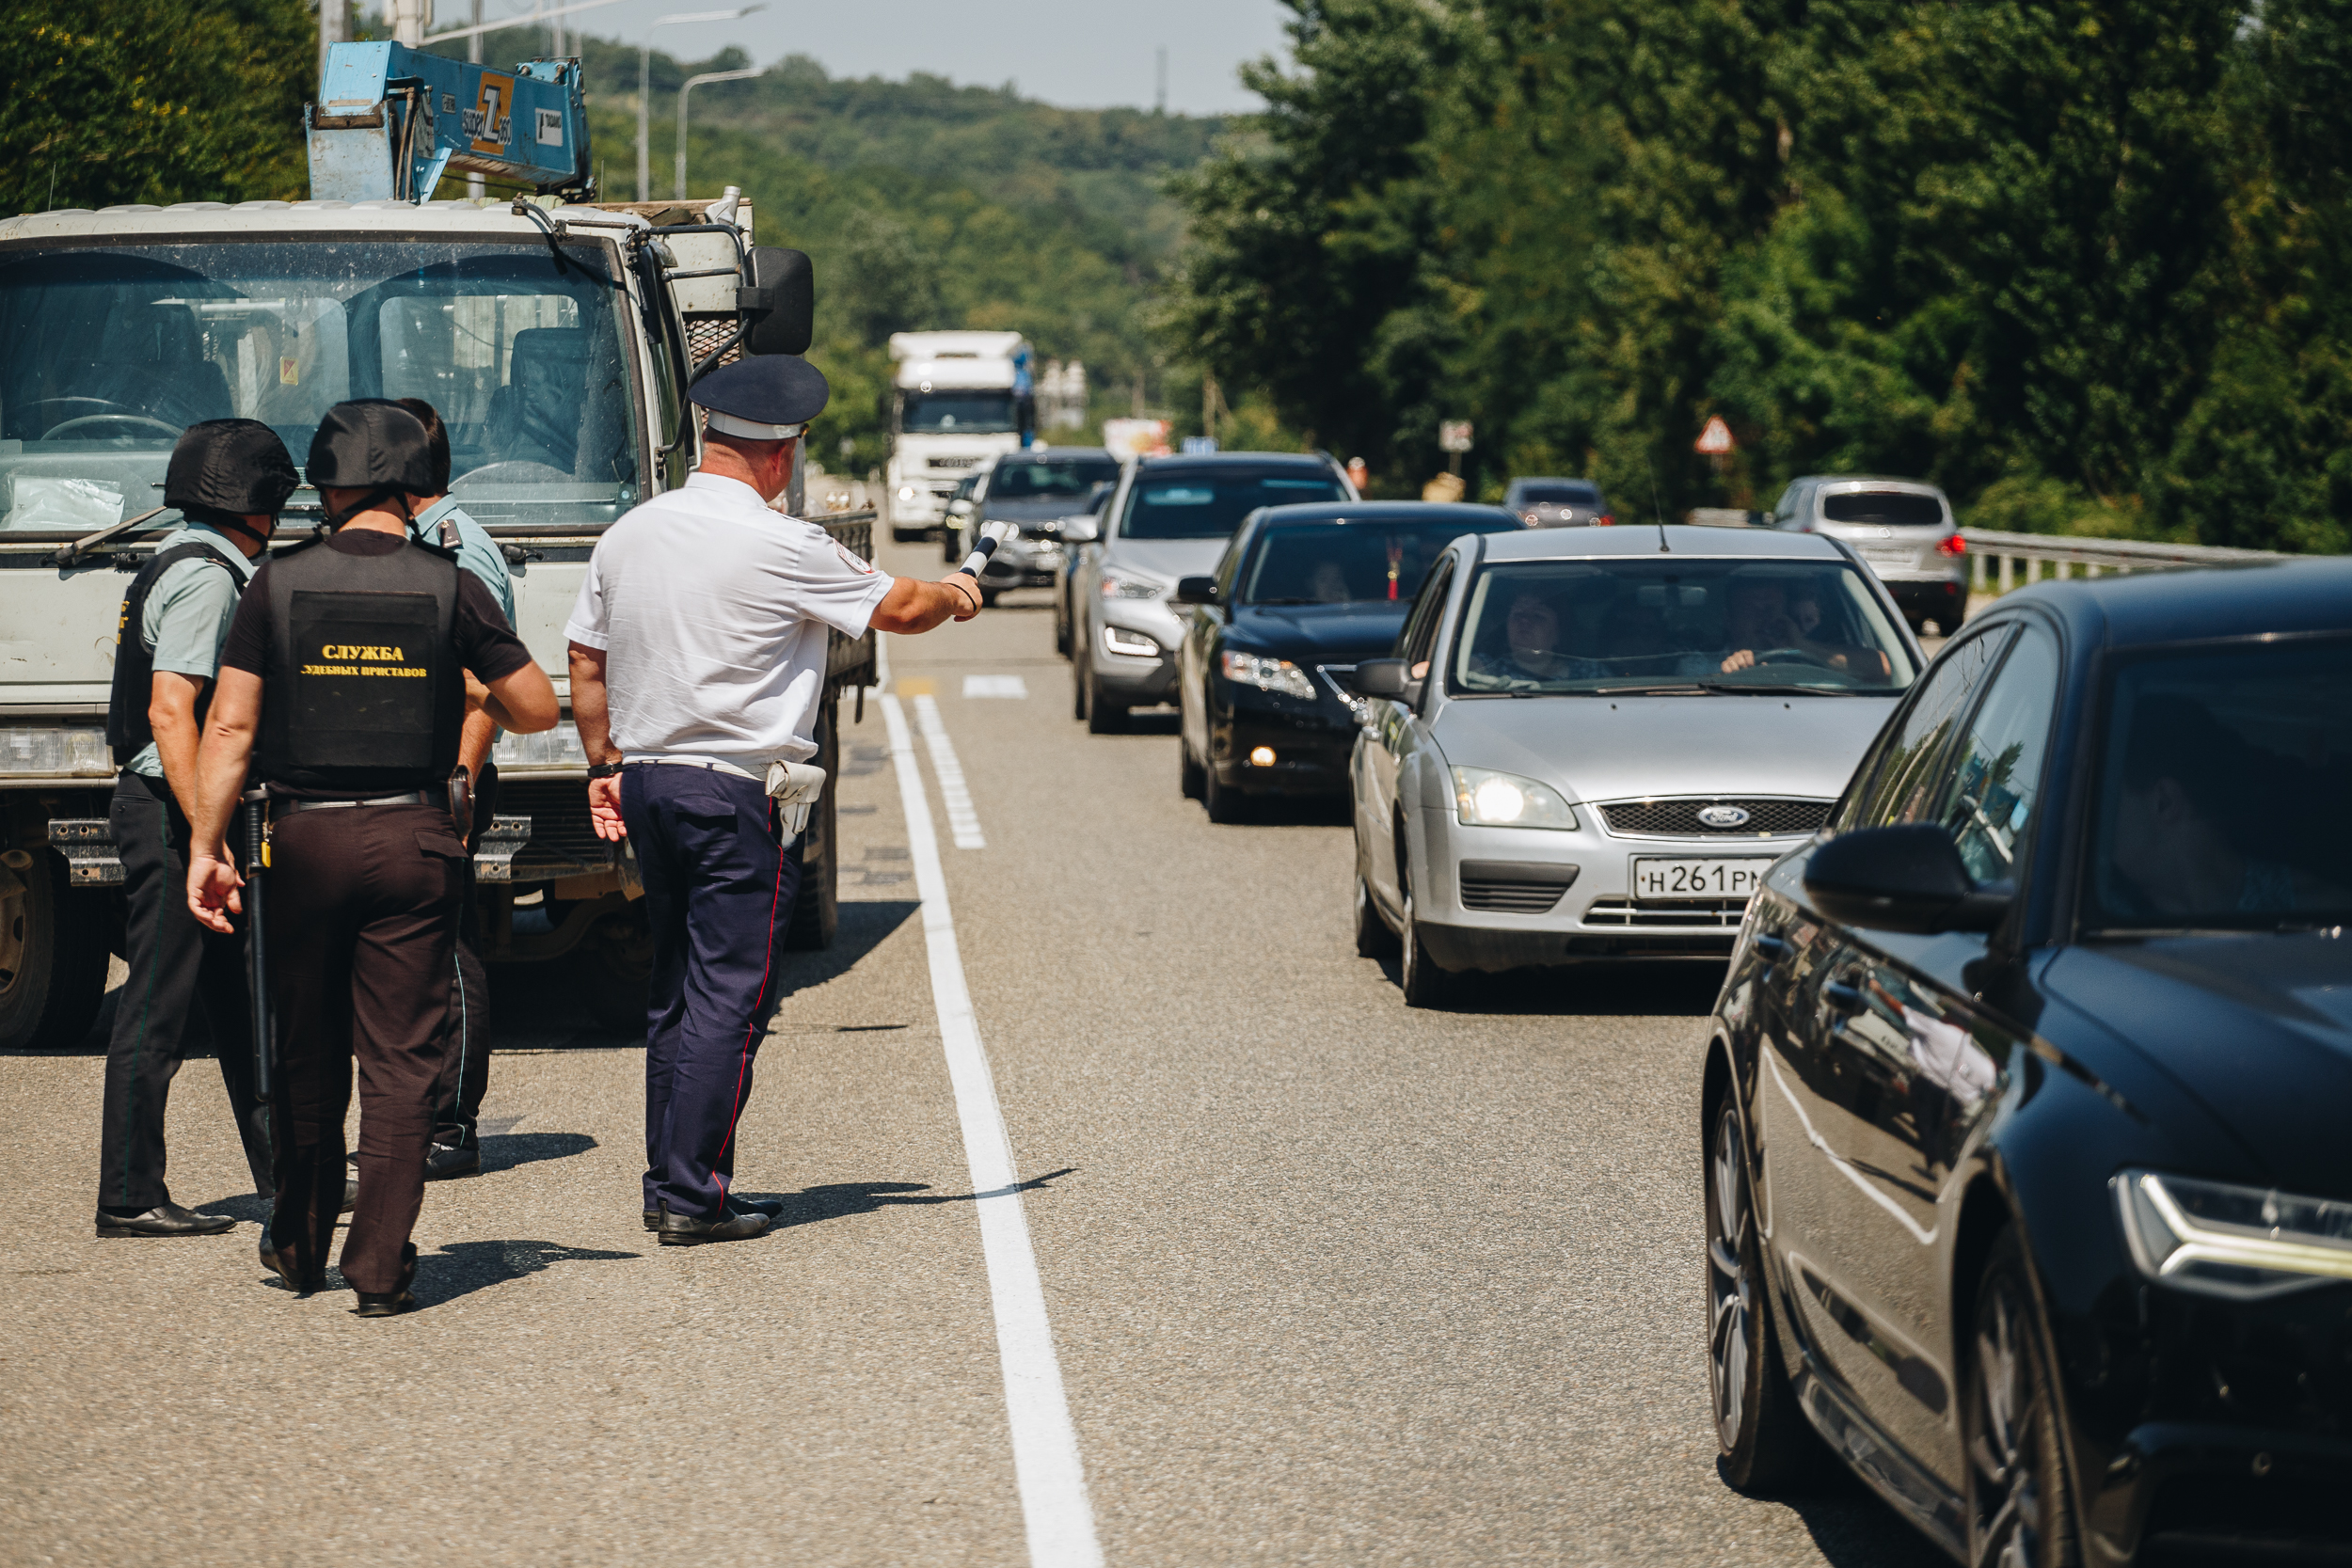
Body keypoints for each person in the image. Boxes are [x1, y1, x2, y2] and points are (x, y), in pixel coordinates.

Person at [564, 355, 983, 1247]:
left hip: (646, 780)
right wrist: (957, 592)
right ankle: (693, 1193)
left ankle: (664, 1177)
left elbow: (586, 660)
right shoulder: (782, 543)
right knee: (730, 995)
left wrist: (602, 763)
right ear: (783, 455)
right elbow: (900, 608)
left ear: (712, 437)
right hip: (735, 794)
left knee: (673, 986)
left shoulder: (629, 532)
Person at [185, 400, 559, 1316]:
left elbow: (228, 723)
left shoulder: (274, 583)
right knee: (401, 1062)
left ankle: (301, 1243)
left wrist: (206, 841)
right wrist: (463, 681)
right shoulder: (449, 584)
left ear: (326, 484)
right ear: (409, 483)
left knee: (306, 1048)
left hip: (299, 837)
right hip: (413, 837)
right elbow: (538, 706)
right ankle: (381, 1269)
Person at [93, 420, 292, 1238]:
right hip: (176, 820)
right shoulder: (210, 577)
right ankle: (131, 1194)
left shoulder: (184, 557)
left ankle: (289, 1174)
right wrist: (203, 833)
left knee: (246, 1005)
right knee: (155, 1008)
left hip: (193, 818)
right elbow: (173, 709)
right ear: (257, 501)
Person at [393, 398, 514, 1180]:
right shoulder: (411, 543)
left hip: (448, 777)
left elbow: (483, 689)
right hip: (405, 776)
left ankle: (451, 1122)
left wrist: (459, 786)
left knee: (449, 954)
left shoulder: (458, 551)